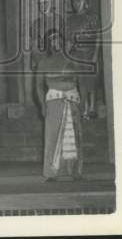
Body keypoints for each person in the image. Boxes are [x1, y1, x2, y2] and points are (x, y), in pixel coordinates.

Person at [37, 28, 84, 182]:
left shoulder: (72, 60)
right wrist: (42, 106)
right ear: (48, 44)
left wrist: (82, 102)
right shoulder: (43, 62)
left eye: (57, 39)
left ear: (62, 41)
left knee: (74, 136)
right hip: (54, 101)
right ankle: (51, 173)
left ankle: (75, 171)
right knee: (52, 137)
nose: (55, 42)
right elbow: (38, 86)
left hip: (73, 101)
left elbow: (80, 82)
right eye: (51, 40)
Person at [64, 0, 100, 119]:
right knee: (81, 82)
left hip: (90, 54)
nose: (75, 4)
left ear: (84, 2)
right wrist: (66, 55)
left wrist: (96, 55)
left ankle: (92, 108)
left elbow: (98, 37)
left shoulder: (92, 17)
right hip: (77, 55)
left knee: (92, 81)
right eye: (74, 2)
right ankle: (84, 108)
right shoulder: (71, 20)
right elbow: (69, 40)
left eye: (78, 1)